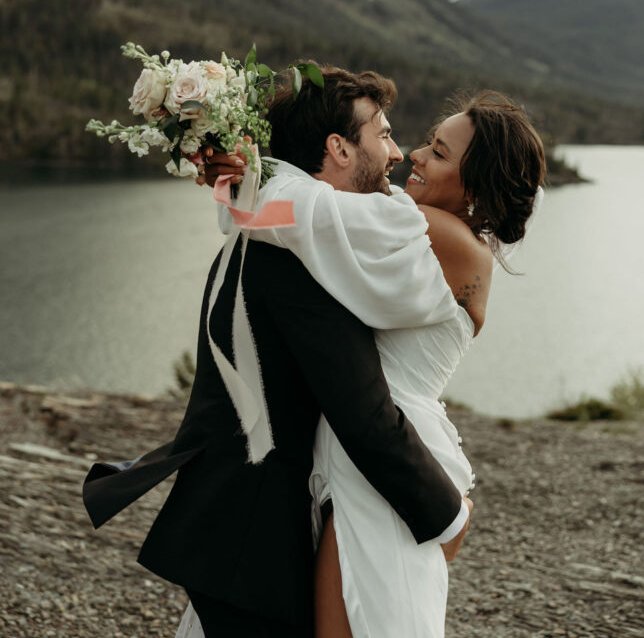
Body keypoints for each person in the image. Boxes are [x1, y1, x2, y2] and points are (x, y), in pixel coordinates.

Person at [82, 67, 477, 638]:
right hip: (257, 537)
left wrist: (239, 177)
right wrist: (446, 515)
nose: (396, 152)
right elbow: (363, 413)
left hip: (234, 519)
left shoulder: (263, 231)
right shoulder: (301, 258)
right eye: (383, 134)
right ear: (339, 148)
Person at [201, 81, 545, 638]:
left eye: (438, 152)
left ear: (474, 185)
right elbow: (293, 216)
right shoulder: (410, 224)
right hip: (359, 451)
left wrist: (235, 171)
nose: (413, 154)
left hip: (387, 455)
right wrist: (239, 177)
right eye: (426, 142)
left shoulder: (436, 234)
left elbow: (290, 213)